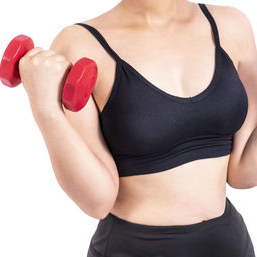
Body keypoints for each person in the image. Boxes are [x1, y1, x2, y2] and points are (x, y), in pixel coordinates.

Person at [17, 0, 257, 256]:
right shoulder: (81, 45)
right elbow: (97, 202)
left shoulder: (232, 26)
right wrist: (46, 110)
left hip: (230, 245)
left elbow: (244, 172)